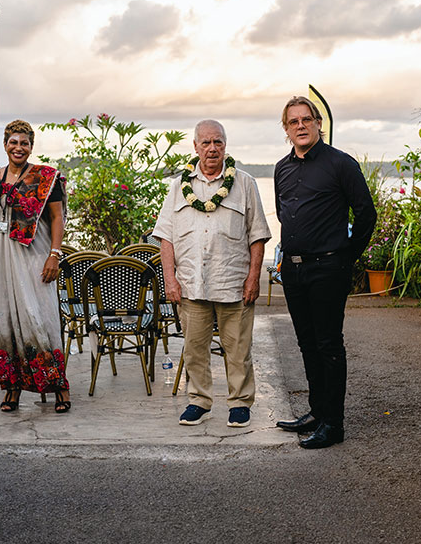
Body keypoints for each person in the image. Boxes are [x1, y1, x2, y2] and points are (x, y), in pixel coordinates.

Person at [273, 95, 377, 448]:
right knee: (306, 344)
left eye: (306, 120)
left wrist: (346, 258)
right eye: (293, 122)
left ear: (319, 124)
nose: (300, 126)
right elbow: (284, 213)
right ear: (286, 130)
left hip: (328, 267)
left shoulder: (341, 164)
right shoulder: (281, 169)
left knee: (329, 345)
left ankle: (333, 424)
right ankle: (317, 412)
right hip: (293, 269)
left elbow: (366, 215)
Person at [154, 119, 271, 427]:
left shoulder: (244, 183)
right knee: (193, 349)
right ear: (195, 147)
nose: (212, 148)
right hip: (191, 283)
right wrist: (170, 279)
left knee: (238, 350)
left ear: (225, 146)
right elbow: (165, 237)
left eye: (217, 142)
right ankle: (199, 401)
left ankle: (240, 402)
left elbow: (257, 234)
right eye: (205, 143)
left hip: (233, 281)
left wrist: (253, 277)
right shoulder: (179, 187)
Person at [0, 119, 70, 413]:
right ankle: (12, 388)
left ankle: (59, 387)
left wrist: (54, 254)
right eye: (13, 142)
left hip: (34, 255)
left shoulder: (45, 178)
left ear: (31, 147)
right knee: (5, 321)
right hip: (0, 258)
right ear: (4, 145)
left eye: (24, 143)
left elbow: (57, 218)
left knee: (42, 318)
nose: (18, 148)